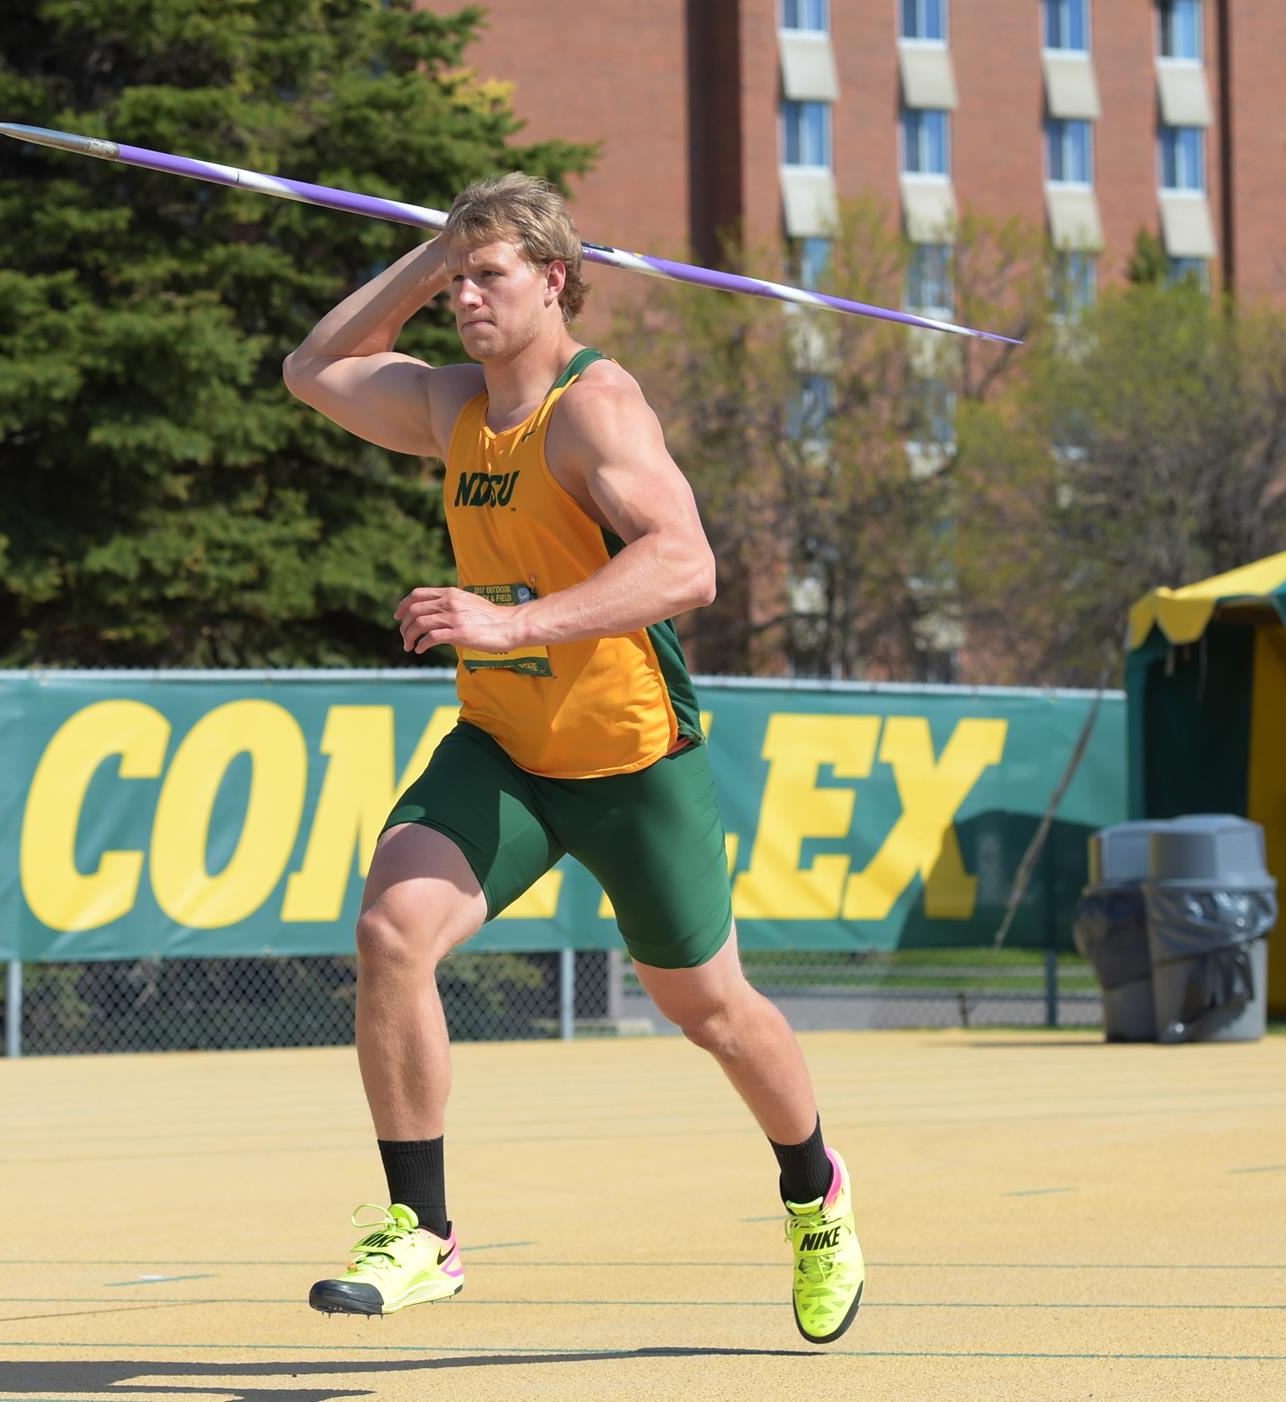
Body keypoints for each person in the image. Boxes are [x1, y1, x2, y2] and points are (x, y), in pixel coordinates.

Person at [281, 173, 864, 1344]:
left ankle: (814, 1193)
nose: (465, 300)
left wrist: (511, 623)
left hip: (630, 759)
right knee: (392, 931)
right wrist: (431, 249)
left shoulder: (597, 412)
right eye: (457, 281)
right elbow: (316, 371)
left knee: (707, 1008)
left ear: (554, 280)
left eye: (488, 277)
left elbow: (684, 564)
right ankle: (422, 1233)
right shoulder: (453, 406)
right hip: (503, 749)